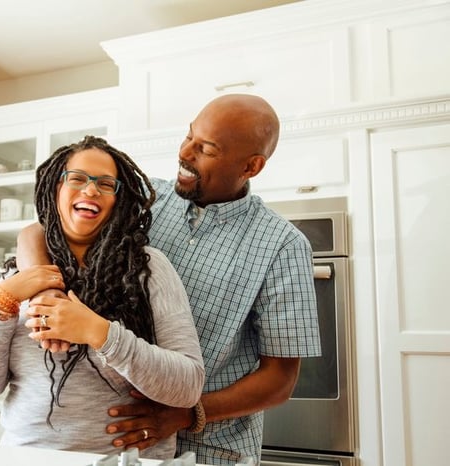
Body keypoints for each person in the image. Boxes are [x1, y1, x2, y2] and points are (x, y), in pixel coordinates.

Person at [17, 94, 321, 465]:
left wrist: (187, 413)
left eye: (206, 148)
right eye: (188, 136)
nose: (185, 153)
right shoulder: (146, 199)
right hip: (125, 446)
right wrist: (47, 296)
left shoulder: (282, 245)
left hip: (214, 450)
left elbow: (279, 380)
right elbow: (39, 230)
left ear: (251, 166)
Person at [0, 135, 205, 460]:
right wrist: (0, 304)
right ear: (55, 189)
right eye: (77, 179)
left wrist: (98, 333)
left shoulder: (148, 268)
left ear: (119, 199)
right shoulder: (18, 275)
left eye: (106, 184)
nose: (90, 190)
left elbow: (188, 386)